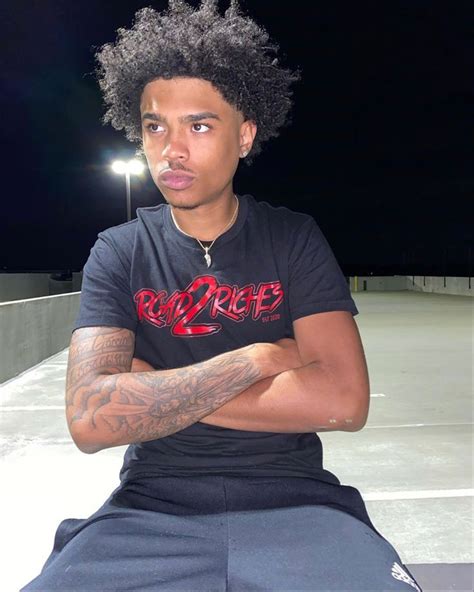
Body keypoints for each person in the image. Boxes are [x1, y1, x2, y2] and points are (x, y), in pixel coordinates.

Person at [22, 1, 422, 590]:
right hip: (150, 507)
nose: (171, 149)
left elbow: (343, 401)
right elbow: (90, 421)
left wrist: (148, 393)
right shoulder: (119, 250)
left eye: (199, 125)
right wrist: (254, 360)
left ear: (245, 135)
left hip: (298, 501)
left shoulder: (292, 238)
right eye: (155, 125)